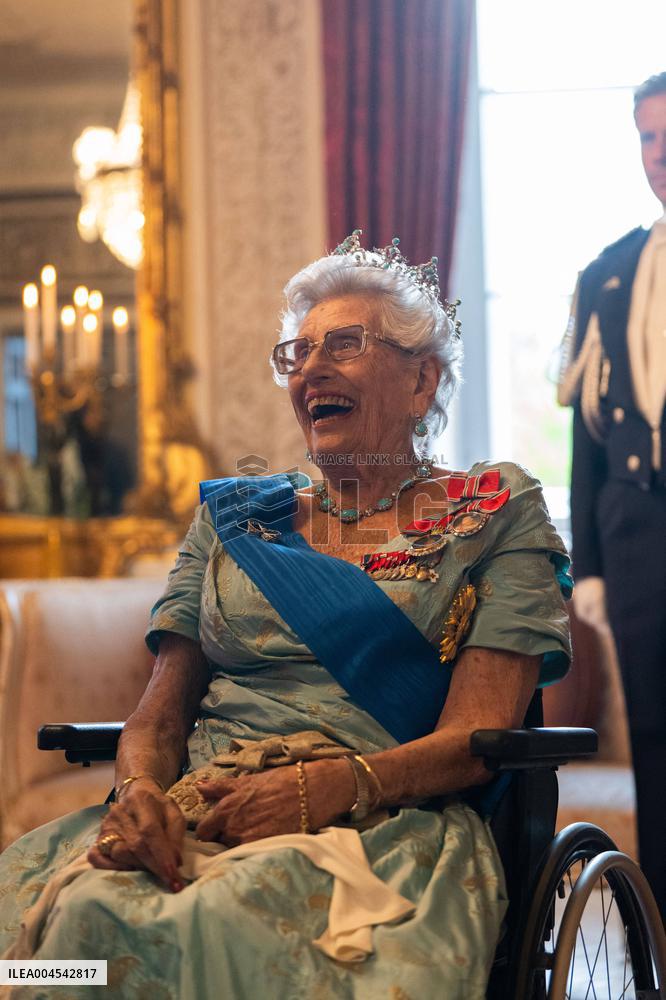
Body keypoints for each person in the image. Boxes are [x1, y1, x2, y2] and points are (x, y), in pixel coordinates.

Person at [0, 232, 571, 998]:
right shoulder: (233, 520)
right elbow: (158, 717)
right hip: (201, 810)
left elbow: (476, 737)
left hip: (379, 823)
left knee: (210, 917)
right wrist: (138, 794)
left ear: (420, 380)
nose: (311, 369)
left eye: (343, 345)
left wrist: (323, 790)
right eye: (295, 355)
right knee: (72, 926)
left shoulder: (493, 512)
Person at [559, 72, 666, 917]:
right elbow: (586, 439)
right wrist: (588, 567)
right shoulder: (611, 271)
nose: (658, 154)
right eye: (647, 136)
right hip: (635, 540)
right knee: (657, 749)